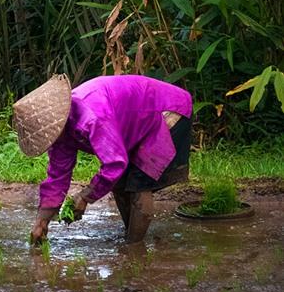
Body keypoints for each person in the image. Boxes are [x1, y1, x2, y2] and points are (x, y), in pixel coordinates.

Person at [13, 73, 192, 245]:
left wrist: (85, 197)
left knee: (139, 183)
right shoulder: (61, 136)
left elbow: (115, 163)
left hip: (165, 110)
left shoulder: (92, 117)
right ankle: (130, 237)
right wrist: (41, 222)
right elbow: (57, 179)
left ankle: (134, 250)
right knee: (120, 184)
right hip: (133, 126)